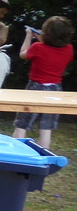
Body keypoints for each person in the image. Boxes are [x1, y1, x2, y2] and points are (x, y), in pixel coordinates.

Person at [12, 16, 73, 149]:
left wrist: (29, 36)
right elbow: (52, 51)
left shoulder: (37, 47)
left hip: (35, 88)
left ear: (46, 33)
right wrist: (43, 41)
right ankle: (43, 155)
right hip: (55, 90)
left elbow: (23, 54)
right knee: (46, 128)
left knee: (22, 124)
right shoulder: (69, 49)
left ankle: (16, 152)